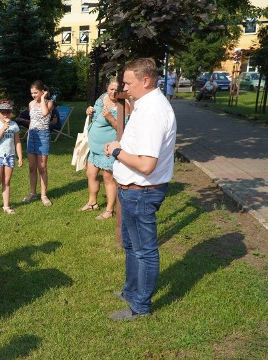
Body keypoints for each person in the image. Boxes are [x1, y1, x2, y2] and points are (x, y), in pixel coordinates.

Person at [104, 58, 176, 320]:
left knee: (144, 250)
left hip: (142, 192)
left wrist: (117, 150)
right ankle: (131, 292)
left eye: (128, 82)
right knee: (132, 247)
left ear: (145, 80)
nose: (124, 87)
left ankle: (140, 307)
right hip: (132, 190)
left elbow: (146, 164)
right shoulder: (144, 106)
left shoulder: (154, 111)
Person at [81, 77, 126, 220]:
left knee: (108, 179)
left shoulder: (122, 105)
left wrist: (110, 118)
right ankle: (92, 202)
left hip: (108, 150)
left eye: (116, 90)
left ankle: (109, 210)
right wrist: (89, 110)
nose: (113, 92)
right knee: (91, 174)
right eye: (111, 89)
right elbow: (94, 115)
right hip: (94, 147)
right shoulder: (101, 98)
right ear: (107, 88)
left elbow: (122, 129)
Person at [23, 80, 54, 206]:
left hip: (43, 135)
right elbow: (32, 120)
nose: (33, 95)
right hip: (32, 135)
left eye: (36, 93)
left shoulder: (49, 103)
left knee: (42, 167)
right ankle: (32, 192)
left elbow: (45, 113)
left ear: (43, 91)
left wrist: (42, 99)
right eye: (32, 93)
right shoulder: (31, 103)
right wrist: (28, 134)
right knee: (31, 167)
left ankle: (43, 195)